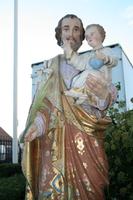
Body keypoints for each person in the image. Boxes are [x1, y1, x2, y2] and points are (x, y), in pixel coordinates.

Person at [20, 14, 118, 200]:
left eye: (76, 29)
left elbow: (109, 90)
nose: (71, 34)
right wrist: (36, 126)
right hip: (54, 144)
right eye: (66, 28)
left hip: (88, 138)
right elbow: (45, 106)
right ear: (59, 34)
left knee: (92, 189)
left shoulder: (92, 59)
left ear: (83, 36)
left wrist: (104, 95)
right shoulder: (52, 65)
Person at [63, 24, 118, 105]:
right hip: (90, 80)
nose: (89, 38)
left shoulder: (107, 50)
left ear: (101, 35)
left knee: (88, 73)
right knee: (76, 79)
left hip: (102, 80)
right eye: (87, 37)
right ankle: (82, 94)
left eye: (92, 34)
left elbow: (114, 61)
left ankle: (76, 91)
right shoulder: (88, 55)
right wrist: (69, 52)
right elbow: (79, 63)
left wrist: (105, 58)